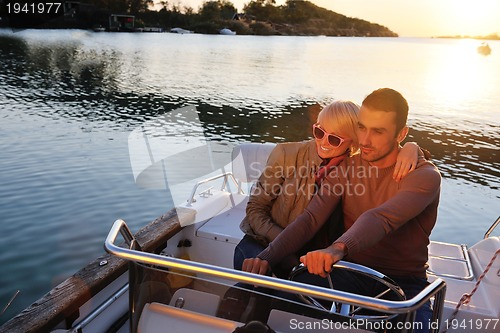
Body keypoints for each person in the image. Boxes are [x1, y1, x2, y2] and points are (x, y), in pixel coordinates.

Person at [242, 88, 441, 333]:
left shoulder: (425, 176)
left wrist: (338, 248)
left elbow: (381, 218)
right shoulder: (345, 168)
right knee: (280, 309)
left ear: (401, 134)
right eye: (361, 127)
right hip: (347, 273)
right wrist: (266, 257)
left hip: (405, 285)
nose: (365, 140)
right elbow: (310, 219)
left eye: (378, 131)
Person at [235, 99, 424, 278]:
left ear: (354, 141)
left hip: (313, 254)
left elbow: (390, 155)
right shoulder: (286, 154)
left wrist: (412, 147)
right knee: (259, 279)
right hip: (262, 243)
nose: (323, 142)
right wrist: (284, 243)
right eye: (319, 132)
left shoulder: (354, 169)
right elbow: (255, 208)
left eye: (334, 139)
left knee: (313, 293)